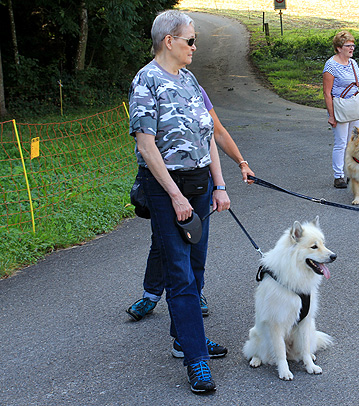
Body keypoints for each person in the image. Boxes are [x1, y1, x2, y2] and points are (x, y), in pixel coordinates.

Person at [128, 10, 248, 394]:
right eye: (191, 40)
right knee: (179, 275)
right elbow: (146, 145)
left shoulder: (190, 78)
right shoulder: (146, 81)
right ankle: (196, 358)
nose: (195, 46)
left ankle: (185, 339)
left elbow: (208, 135)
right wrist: (176, 196)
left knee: (195, 269)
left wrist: (220, 185)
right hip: (167, 191)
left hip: (200, 188)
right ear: (169, 41)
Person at [323, 31, 359, 189]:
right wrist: (332, 115)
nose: (352, 48)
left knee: (352, 142)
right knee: (341, 142)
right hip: (339, 107)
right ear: (339, 48)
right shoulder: (331, 66)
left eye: (353, 45)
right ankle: (338, 176)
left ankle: (350, 172)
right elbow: (327, 93)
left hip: (354, 106)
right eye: (348, 45)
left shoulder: (353, 63)